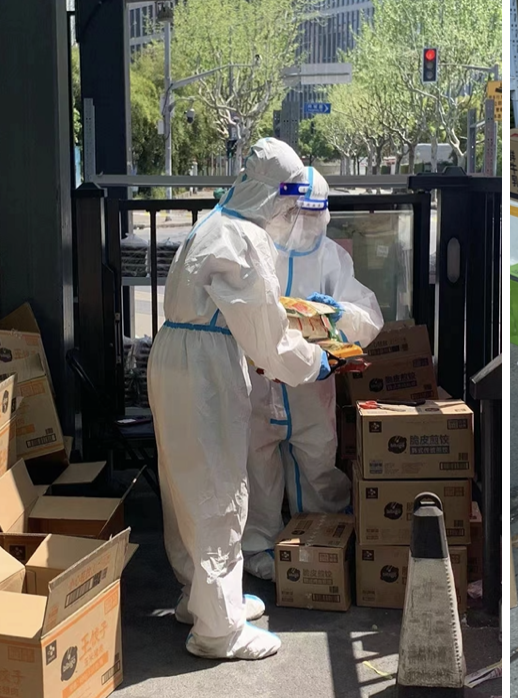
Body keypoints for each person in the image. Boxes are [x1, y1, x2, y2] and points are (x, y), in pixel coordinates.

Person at [148, 138, 332, 660]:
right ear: (274, 195)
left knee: (183, 483)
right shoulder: (245, 239)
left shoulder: (214, 222)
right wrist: (312, 362)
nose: (290, 212)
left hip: (177, 357)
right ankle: (218, 630)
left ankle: (201, 597)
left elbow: (252, 316)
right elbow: (268, 335)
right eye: (290, 202)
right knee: (218, 488)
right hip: (205, 369)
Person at [241, 166, 384, 580]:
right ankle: (259, 548)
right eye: (297, 214)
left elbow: (368, 317)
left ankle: (324, 539)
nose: (304, 225)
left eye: (311, 214)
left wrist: (341, 315)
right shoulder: (258, 246)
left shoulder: (331, 257)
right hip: (259, 382)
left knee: (318, 464)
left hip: (310, 383)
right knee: (258, 467)